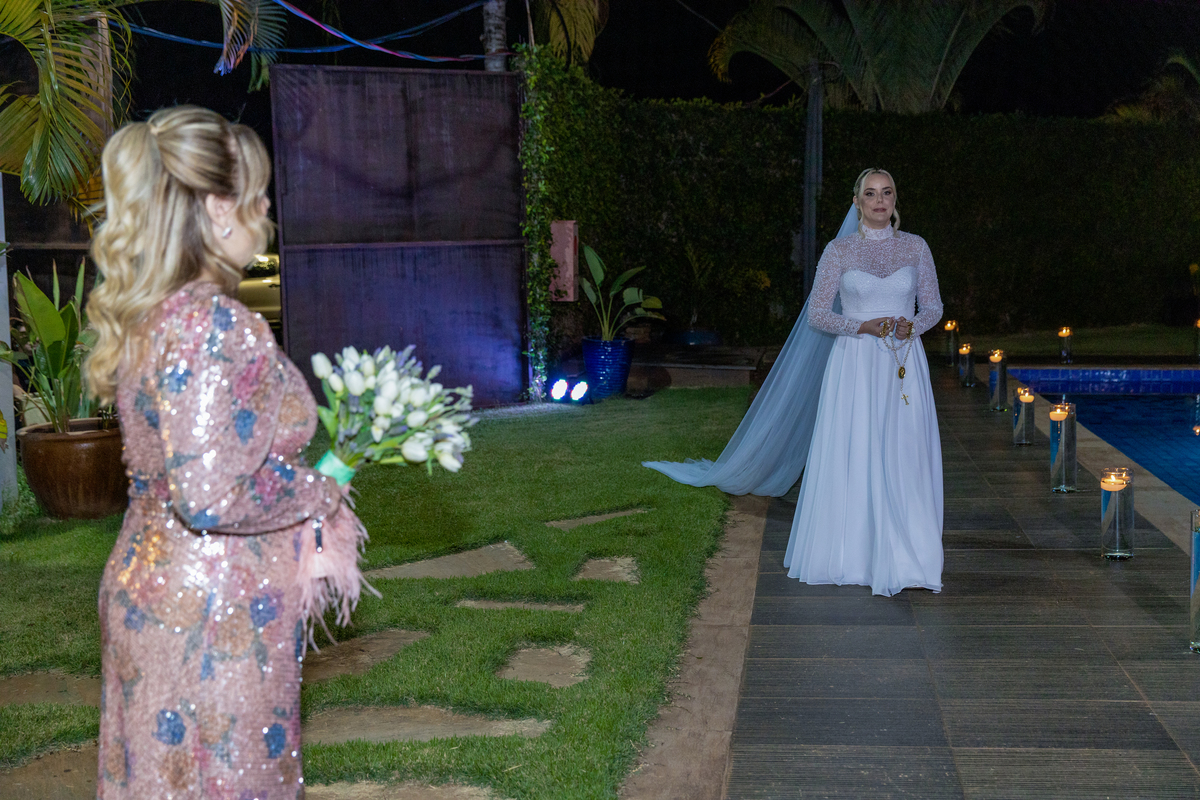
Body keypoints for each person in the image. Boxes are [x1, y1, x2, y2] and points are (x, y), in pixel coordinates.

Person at [85, 106, 368, 798]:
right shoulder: (215, 323)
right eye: (256, 196)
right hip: (213, 617)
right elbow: (210, 495)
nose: (266, 211)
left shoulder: (155, 316)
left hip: (151, 588)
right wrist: (319, 490)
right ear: (217, 209)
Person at [644, 168, 944, 596]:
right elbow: (817, 314)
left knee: (904, 451)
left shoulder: (916, 247)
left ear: (895, 199)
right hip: (855, 364)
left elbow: (933, 307)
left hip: (903, 364)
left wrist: (911, 325)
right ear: (857, 202)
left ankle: (908, 554)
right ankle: (854, 553)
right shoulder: (838, 251)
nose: (880, 201)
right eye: (870, 193)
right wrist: (861, 327)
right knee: (857, 447)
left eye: (887, 192)